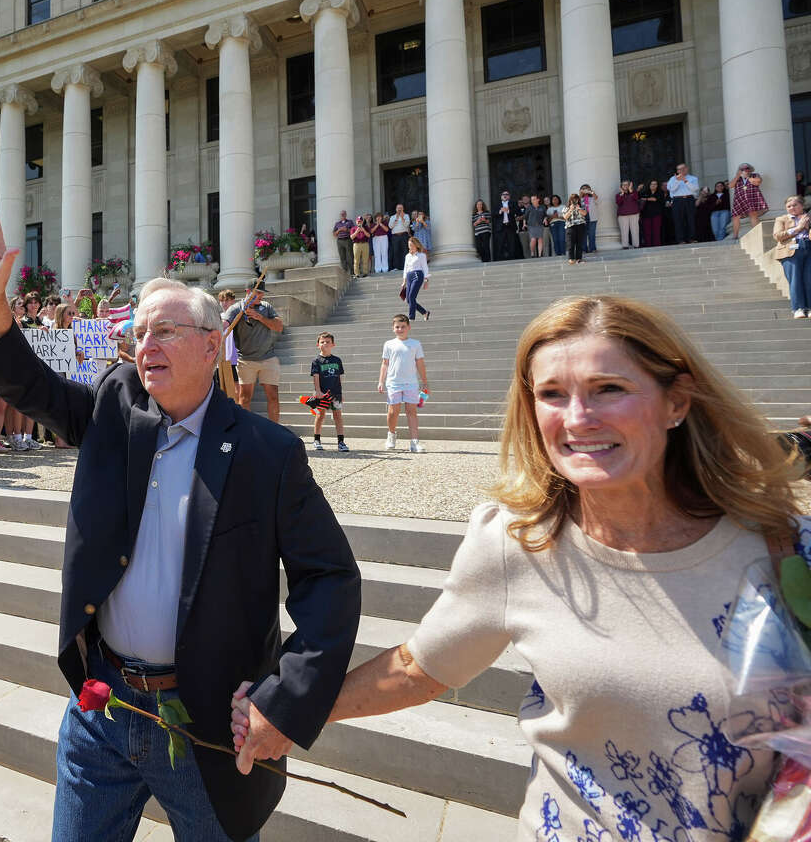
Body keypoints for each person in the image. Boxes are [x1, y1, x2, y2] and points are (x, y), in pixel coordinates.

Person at [234, 294, 806, 841]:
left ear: (676, 401)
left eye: (609, 388)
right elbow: (421, 667)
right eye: (553, 393)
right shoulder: (517, 542)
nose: (578, 418)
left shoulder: (782, 545)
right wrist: (286, 711)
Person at [0, 192, 361, 841]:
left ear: (212, 345)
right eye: (140, 332)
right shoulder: (116, 407)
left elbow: (331, 582)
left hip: (209, 729)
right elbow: (31, 388)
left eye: (165, 330)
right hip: (102, 709)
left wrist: (284, 701)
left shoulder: (269, 454)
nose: (146, 344)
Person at [222, 279, 284, 424]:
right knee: (244, 397)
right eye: (258, 293)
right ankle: (247, 431)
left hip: (268, 357)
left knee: (273, 396)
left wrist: (260, 317)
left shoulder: (266, 307)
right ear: (248, 292)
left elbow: (279, 327)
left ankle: (275, 431)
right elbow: (224, 324)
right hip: (246, 360)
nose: (261, 296)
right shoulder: (236, 308)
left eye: (262, 293)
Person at [376, 314, 427, 453]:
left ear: (408, 327)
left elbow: (420, 363)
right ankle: (391, 435)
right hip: (393, 383)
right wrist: (381, 381)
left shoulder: (415, 344)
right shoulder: (389, 344)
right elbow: (384, 364)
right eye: (397, 327)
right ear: (393, 328)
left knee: (412, 412)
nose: (400, 329)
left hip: (411, 383)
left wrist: (425, 381)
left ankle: (414, 442)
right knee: (393, 411)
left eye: (403, 327)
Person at [773, 195, 811, 318]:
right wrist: (798, 228)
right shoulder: (782, 219)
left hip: (808, 247)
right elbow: (778, 236)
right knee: (795, 280)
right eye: (789, 206)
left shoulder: (808, 217)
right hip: (790, 251)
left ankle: (809, 308)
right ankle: (798, 308)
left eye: (795, 205)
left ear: (802, 206)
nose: (792, 208)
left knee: (809, 279)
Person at [309, 332, 347, 452]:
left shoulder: (337, 360)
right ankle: (316, 440)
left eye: (328, 342)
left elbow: (339, 378)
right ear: (318, 344)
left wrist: (341, 393)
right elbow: (315, 377)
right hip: (322, 394)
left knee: (338, 416)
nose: (325, 344)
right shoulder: (316, 361)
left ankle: (341, 442)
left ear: (333, 344)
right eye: (322, 342)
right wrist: (318, 391)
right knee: (320, 415)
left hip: (336, 394)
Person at [729, 163, 768, 240]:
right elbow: (730, 186)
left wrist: (747, 177)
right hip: (739, 199)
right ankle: (735, 236)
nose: (744, 170)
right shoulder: (738, 178)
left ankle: (757, 234)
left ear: (750, 169)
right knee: (735, 217)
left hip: (751, 197)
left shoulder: (754, 175)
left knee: (753, 214)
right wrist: (737, 176)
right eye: (742, 169)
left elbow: (758, 182)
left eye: (746, 168)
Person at [666, 162, 700, 244]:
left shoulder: (693, 178)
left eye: (683, 168)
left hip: (689, 199)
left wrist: (685, 180)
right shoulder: (672, 179)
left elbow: (695, 189)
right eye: (679, 169)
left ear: (686, 169)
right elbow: (672, 189)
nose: (681, 170)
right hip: (677, 201)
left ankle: (692, 238)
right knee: (678, 220)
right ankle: (680, 239)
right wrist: (677, 180)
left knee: (691, 219)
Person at [402, 237, 432, 321]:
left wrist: (426, 280)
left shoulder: (421, 255)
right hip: (409, 276)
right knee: (409, 299)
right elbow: (405, 268)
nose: (410, 247)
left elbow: (425, 268)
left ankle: (411, 318)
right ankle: (425, 312)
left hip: (418, 275)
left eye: (411, 245)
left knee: (412, 296)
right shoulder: (407, 256)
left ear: (416, 245)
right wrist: (404, 281)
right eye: (409, 245)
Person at [492, 190, 520, 261]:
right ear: (501, 196)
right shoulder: (497, 204)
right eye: (503, 194)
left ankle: (512, 259)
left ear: (509, 196)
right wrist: (500, 211)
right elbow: (493, 214)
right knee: (500, 244)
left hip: (510, 226)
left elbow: (518, 211)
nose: (505, 195)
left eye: (506, 194)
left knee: (512, 243)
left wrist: (508, 211)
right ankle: (499, 259)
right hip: (501, 227)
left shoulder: (513, 203)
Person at [563, 193, 589, 264]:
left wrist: (579, 209)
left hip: (580, 226)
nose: (574, 201)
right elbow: (565, 217)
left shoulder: (581, 206)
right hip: (570, 227)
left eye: (576, 199)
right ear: (570, 200)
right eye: (573, 199)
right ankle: (571, 258)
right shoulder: (566, 207)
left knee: (579, 243)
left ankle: (579, 258)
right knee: (570, 243)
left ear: (578, 200)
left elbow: (585, 214)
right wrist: (570, 210)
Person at [615, 181, 641, 249]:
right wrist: (622, 194)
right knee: (624, 231)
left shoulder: (634, 192)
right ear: (621, 186)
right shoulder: (619, 194)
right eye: (624, 185)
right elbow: (618, 203)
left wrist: (631, 190)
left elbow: (636, 198)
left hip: (634, 214)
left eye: (627, 185)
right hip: (623, 215)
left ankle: (636, 245)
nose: (625, 186)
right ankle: (625, 246)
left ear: (630, 185)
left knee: (635, 230)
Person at [639, 179, 665, 246]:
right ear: (649, 185)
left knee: (656, 230)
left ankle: (657, 245)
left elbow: (655, 199)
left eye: (655, 184)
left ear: (657, 185)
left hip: (657, 214)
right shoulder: (645, 192)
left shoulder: (660, 192)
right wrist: (638, 190)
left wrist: (646, 199)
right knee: (647, 231)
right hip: (646, 214)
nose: (653, 185)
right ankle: (648, 245)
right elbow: (638, 198)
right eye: (652, 184)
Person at [387, 203, 411, 271]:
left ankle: (406, 266)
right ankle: (396, 267)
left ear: (403, 209)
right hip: (395, 236)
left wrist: (402, 217)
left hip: (404, 235)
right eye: (398, 208)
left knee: (405, 251)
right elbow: (390, 226)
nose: (399, 209)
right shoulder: (392, 217)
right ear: (396, 209)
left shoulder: (406, 215)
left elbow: (407, 224)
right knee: (396, 251)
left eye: (401, 208)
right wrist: (396, 219)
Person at [578, 184, 599, 253]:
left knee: (592, 234)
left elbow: (596, 198)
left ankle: (592, 248)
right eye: (583, 189)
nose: (585, 190)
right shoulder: (579, 199)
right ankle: (584, 249)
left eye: (586, 188)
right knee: (583, 234)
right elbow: (576, 204)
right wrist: (580, 195)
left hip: (592, 217)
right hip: (582, 218)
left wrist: (591, 192)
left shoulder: (592, 197)